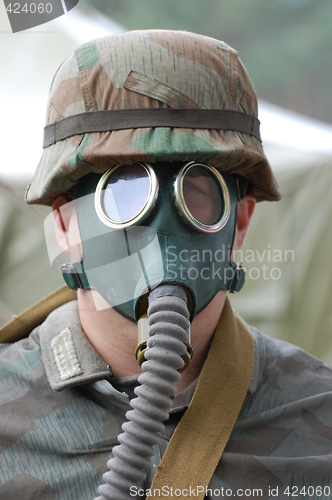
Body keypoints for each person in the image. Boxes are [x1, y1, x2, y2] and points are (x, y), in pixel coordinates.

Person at [0, 30, 331, 500]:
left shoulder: (319, 421)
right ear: (64, 223)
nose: (161, 226)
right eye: (123, 192)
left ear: (238, 223)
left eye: (198, 192)